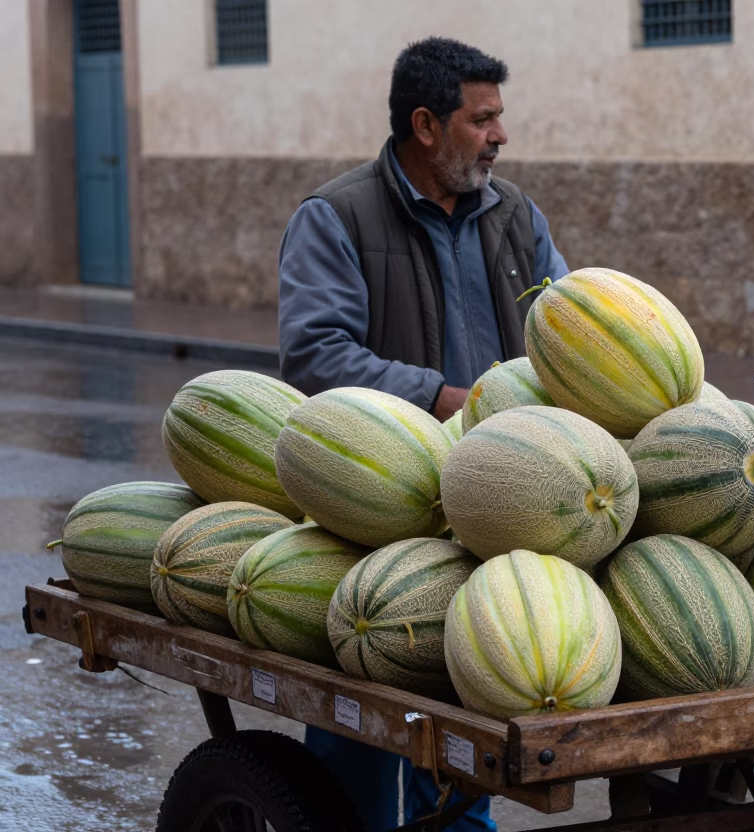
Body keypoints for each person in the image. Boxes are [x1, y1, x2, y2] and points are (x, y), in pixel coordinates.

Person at [276, 37, 569, 831]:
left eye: (500, 118)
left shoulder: (517, 218)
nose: (501, 136)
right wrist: (445, 398)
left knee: (468, 735)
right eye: (483, 120)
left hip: (502, 503)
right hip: (379, 506)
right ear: (426, 125)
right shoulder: (335, 217)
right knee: (365, 741)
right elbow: (315, 355)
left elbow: (572, 333)